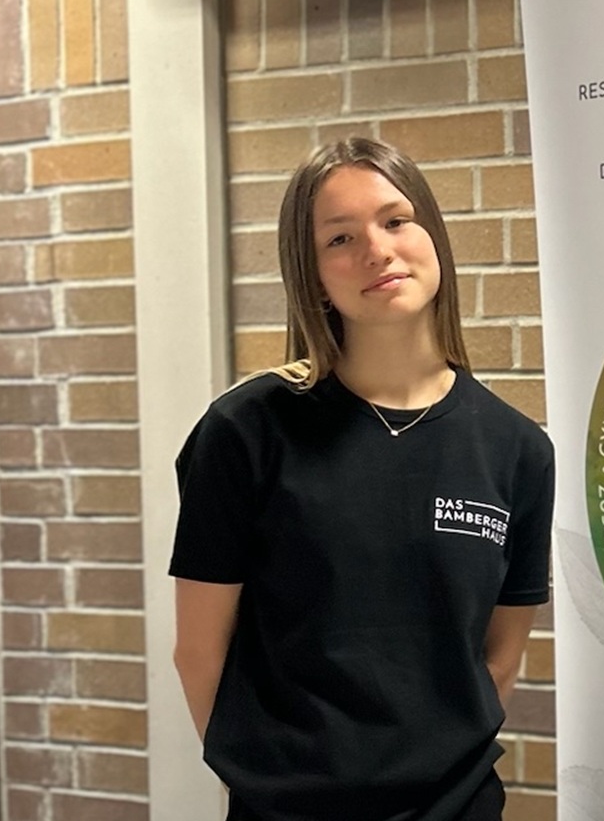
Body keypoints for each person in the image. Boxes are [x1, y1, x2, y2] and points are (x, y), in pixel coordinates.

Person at [169, 137, 554, 821]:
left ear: (433, 237)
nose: (377, 250)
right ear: (313, 275)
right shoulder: (245, 432)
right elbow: (199, 652)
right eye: (340, 238)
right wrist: (268, 787)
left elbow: (499, 660)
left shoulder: (518, 450)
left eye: (396, 220)